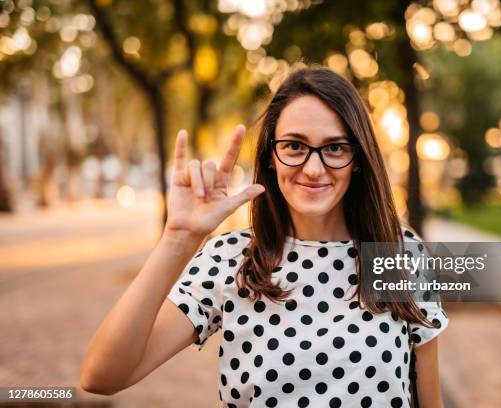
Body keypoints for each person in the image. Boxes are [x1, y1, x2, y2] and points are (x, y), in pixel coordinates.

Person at [80, 67, 449, 407]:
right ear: (271, 155)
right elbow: (102, 376)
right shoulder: (230, 259)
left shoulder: (400, 255)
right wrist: (178, 239)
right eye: (295, 146)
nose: (314, 168)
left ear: (357, 159)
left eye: (335, 147)